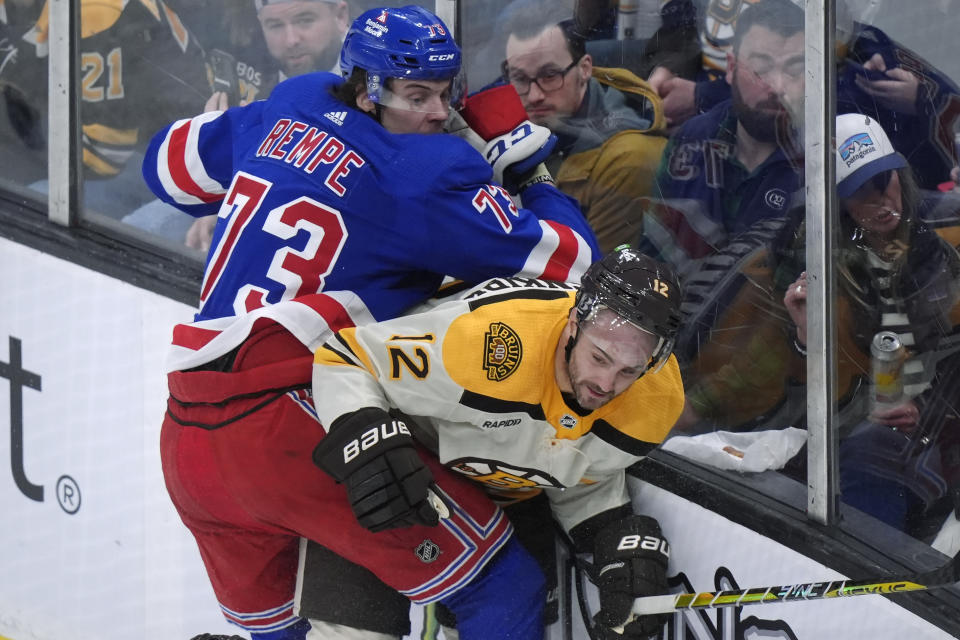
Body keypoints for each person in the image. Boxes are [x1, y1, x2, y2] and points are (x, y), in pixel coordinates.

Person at [148, 6, 601, 638]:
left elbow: (165, 168)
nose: (440, 113)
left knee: (288, 630)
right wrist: (531, 179)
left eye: (447, 93)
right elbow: (575, 263)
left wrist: (274, 164)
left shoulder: (293, 100)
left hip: (188, 438)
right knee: (505, 590)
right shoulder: (424, 177)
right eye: (417, 95)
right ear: (366, 89)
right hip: (293, 427)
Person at [309, 247, 685, 640]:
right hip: (409, 466)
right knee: (353, 629)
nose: (607, 385)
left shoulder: (655, 399)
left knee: (506, 620)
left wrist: (613, 537)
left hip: (500, 501)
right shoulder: (486, 341)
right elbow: (345, 357)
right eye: (600, 357)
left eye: (629, 370)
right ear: (574, 321)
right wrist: (368, 450)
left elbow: (574, 465)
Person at [676, 113, 960, 539]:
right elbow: (743, 384)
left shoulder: (933, 255)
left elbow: (944, 353)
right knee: (875, 455)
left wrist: (929, 408)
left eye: (884, 181)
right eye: (858, 191)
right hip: (844, 460)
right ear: (835, 203)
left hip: (928, 436)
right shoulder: (813, 277)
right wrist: (809, 341)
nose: (881, 202)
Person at [123, 0, 352, 244]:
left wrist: (231, 194)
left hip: (314, 218)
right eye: (275, 26)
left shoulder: (371, 83)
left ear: (340, 15)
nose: (291, 40)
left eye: (305, 20)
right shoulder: (243, 45)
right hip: (227, 185)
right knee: (129, 229)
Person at [0, 0, 210, 219]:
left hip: (158, 164)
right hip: (85, 152)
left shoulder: (101, 12)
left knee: (27, 209)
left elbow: (105, 157)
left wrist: (18, 68)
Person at [639, 0, 804, 273]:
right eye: (761, 69)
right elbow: (651, 255)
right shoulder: (692, 140)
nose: (777, 86)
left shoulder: (822, 157)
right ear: (731, 68)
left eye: (795, 69)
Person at [499, 0, 670, 253]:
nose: (533, 95)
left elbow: (592, 275)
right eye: (520, 78)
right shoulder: (510, 113)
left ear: (585, 69)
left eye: (550, 75)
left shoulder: (630, 156)